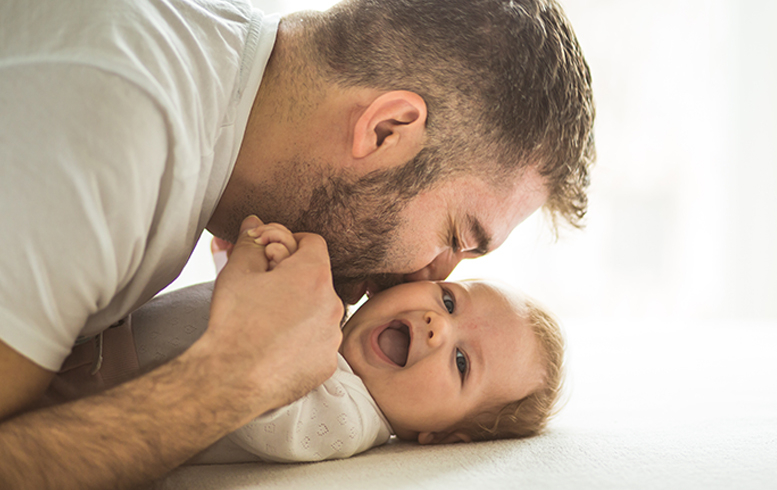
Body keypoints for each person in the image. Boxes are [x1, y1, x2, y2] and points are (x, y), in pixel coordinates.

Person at [0, 0, 594, 487]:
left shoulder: (201, 69)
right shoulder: (107, 139)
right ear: (385, 131)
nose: (430, 276)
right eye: (456, 236)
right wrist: (228, 379)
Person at [44, 224, 566, 463]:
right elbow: (237, 315)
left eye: (461, 362)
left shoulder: (348, 418)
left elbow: (258, 401)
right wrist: (246, 265)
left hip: (90, 393)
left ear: (441, 436)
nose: (437, 326)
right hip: (91, 333)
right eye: (449, 302)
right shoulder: (327, 317)